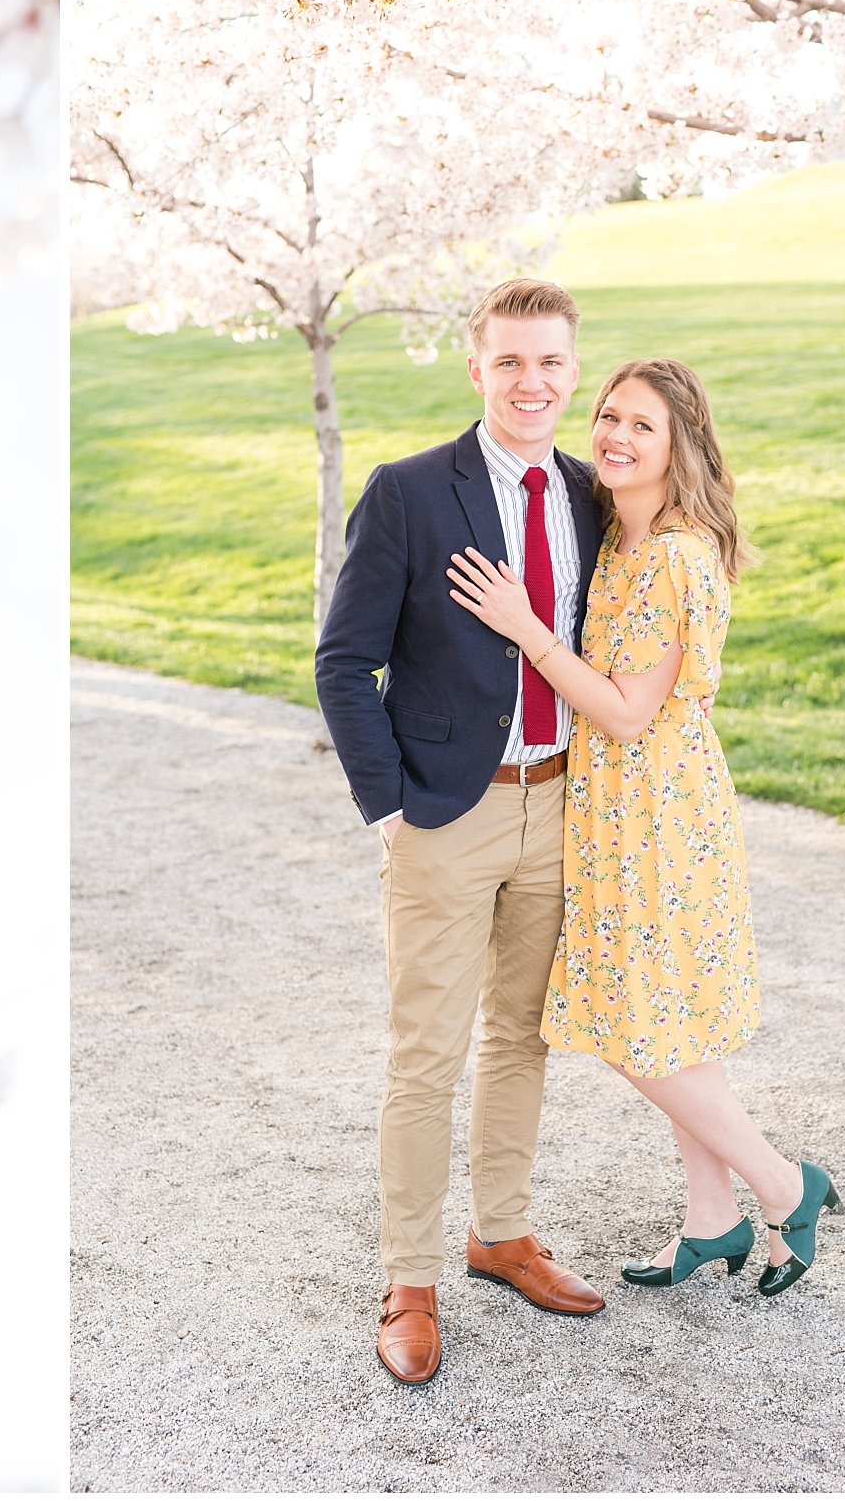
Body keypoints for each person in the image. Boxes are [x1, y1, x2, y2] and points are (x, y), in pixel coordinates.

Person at [445, 356, 841, 1303]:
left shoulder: (675, 557)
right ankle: (713, 1218)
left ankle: (788, 1188)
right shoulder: (620, 540)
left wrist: (525, 626)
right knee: (667, 1023)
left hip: (660, 813)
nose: (616, 437)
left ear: (681, 448)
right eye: (610, 417)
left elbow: (626, 712)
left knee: (637, 1028)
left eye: (643, 427)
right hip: (613, 809)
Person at [315, 278, 607, 1388]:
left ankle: (501, 1234)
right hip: (444, 809)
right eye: (508, 364)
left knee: (520, 1036)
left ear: (570, 370)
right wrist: (386, 805)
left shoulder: (588, 493)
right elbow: (345, 661)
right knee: (424, 1052)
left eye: (550, 364)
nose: (530, 384)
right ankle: (407, 1278)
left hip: (557, 801)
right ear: (474, 369)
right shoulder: (404, 494)